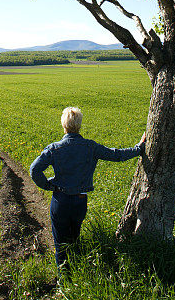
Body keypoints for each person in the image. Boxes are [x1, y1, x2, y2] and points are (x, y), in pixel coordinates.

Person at [29, 106, 146, 271]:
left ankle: (65, 279)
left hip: (60, 201)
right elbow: (116, 155)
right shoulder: (90, 147)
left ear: (64, 126)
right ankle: (76, 272)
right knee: (75, 238)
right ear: (79, 125)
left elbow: (34, 170)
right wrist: (138, 149)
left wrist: (48, 185)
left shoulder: (55, 148)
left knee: (61, 243)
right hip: (80, 202)